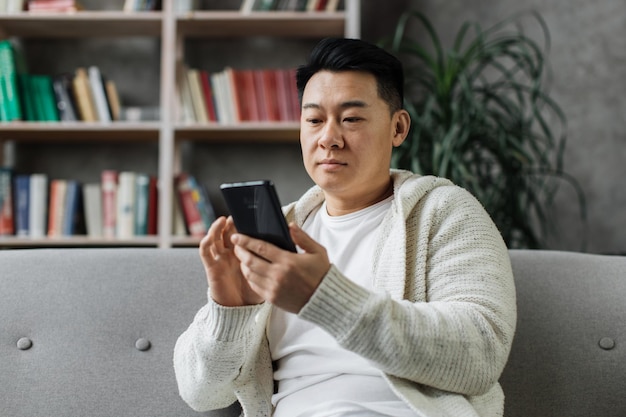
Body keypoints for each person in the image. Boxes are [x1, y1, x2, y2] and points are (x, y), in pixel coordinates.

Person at [173, 37, 517, 417]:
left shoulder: (445, 212)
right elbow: (200, 394)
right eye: (315, 120)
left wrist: (325, 298)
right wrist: (229, 309)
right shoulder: (279, 231)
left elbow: (481, 354)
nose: (329, 139)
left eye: (351, 119)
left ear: (398, 128)